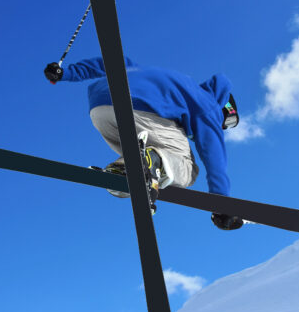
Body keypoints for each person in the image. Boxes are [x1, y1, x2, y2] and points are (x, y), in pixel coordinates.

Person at [44, 57, 243, 230]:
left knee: (139, 148)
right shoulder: (208, 105)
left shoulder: (157, 77)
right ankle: (154, 162)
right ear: (226, 110)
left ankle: (125, 169)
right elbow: (213, 154)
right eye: (226, 124)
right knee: (187, 170)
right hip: (143, 110)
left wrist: (67, 73)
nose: (222, 127)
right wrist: (221, 201)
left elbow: (109, 62)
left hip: (100, 108)